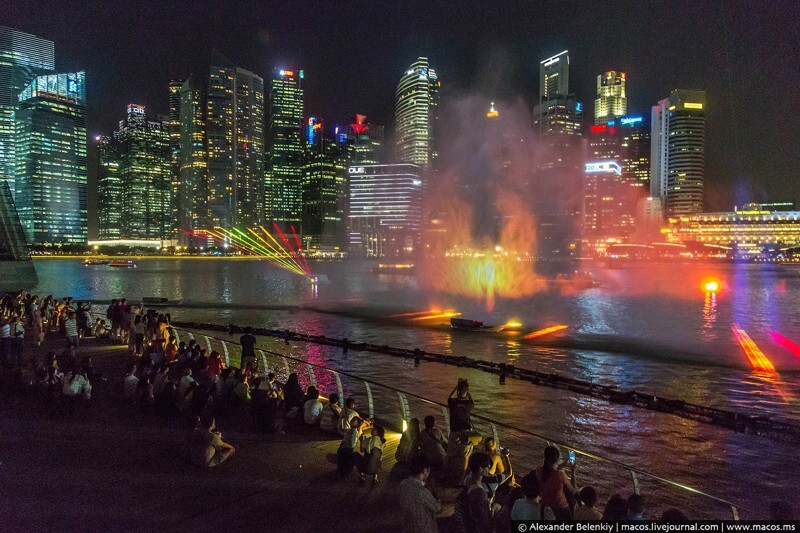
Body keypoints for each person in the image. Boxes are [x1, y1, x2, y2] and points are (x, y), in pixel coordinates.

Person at [398, 456, 442, 533]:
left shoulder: (402, 484)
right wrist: (433, 489)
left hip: (407, 527)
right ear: (425, 471)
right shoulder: (423, 493)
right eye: (429, 470)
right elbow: (439, 509)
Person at [532, 446, 576, 520]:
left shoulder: (538, 470)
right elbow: (573, 490)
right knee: (571, 498)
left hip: (545, 506)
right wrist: (573, 471)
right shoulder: (560, 475)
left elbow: (550, 472)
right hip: (561, 510)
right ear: (557, 460)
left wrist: (562, 466)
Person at [446, 379, 477, 482]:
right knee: (465, 456)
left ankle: (445, 474)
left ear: (458, 391)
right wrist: (467, 391)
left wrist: (456, 386)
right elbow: (472, 401)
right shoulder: (469, 404)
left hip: (454, 432)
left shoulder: (453, 402)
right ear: (466, 391)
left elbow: (449, 397)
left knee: (450, 453)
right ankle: (461, 478)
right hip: (466, 433)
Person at [453, 452, 493, 533]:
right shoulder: (479, 492)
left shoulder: (467, 479)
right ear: (480, 469)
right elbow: (483, 521)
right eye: (488, 467)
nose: (489, 469)